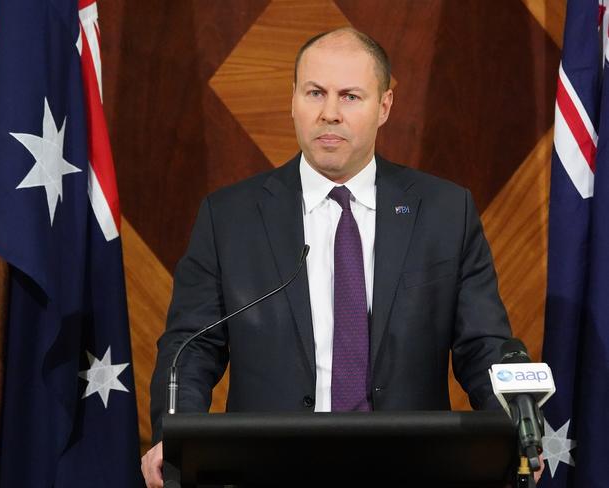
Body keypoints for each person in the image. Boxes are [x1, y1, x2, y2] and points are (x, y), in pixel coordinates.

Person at [141, 27, 512, 487]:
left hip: (410, 470)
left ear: (385, 107)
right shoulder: (229, 217)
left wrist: (512, 432)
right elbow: (189, 349)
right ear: (293, 98)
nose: (329, 113)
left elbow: (484, 347)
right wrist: (173, 435)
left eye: (350, 96)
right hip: (267, 471)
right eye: (315, 92)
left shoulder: (443, 212)